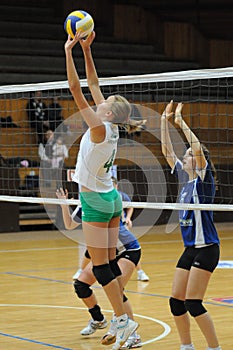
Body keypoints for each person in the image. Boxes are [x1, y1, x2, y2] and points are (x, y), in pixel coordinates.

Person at [64, 30, 145, 350]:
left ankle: (124, 321)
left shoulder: (98, 127)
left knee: (100, 268)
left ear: (108, 112)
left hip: (97, 202)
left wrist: (68, 51)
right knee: (108, 267)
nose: (101, 99)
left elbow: (76, 87)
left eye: (105, 102)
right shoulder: (109, 125)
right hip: (111, 199)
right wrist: (87, 50)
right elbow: (94, 83)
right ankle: (129, 327)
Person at [161, 100, 221, 350]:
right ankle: (186, 346)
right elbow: (167, 151)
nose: (184, 157)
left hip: (207, 248)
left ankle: (215, 348)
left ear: (197, 162)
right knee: (176, 301)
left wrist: (181, 122)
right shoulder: (185, 184)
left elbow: (196, 149)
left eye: (188, 156)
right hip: (190, 249)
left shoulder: (203, 183)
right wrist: (163, 122)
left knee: (193, 303)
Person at [56, 187, 142, 349]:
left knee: (117, 291)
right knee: (80, 285)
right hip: (103, 249)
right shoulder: (86, 203)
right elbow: (68, 225)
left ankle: (133, 336)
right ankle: (98, 319)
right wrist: (63, 205)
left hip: (127, 250)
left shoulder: (107, 201)